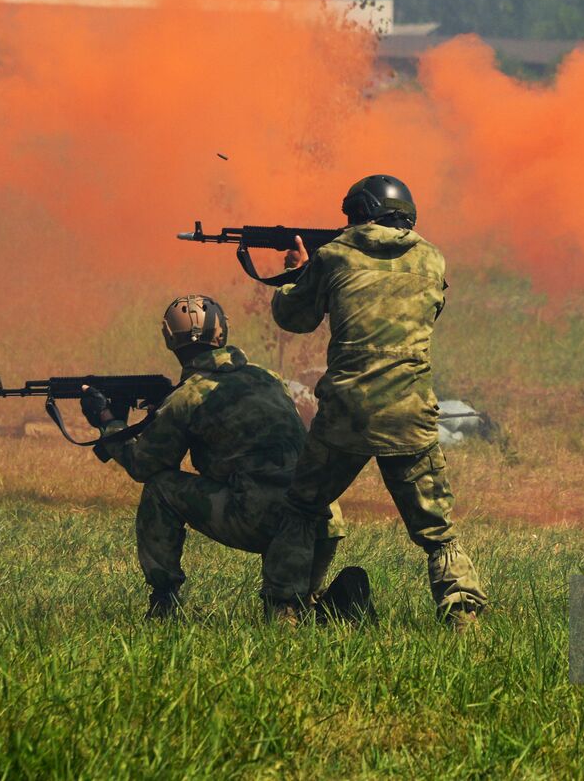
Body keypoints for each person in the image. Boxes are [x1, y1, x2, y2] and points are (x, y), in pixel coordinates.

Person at [267, 175, 488, 630]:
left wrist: (297, 271)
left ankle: (285, 612)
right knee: (437, 530)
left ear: (359, 213)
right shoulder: (432, 258)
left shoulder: (332, 257)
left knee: (303, 509)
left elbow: (294, 317)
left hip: (346, 412)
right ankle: (463, 616)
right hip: (410, 411)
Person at [82, 296, 360, 621]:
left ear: (169, 339)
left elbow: (145, 466)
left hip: (263, 518)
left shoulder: (188, 397)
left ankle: (164, 603)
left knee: (159, 488)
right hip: (322, 519)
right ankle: (332, 607)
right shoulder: (268, 378)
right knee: (296, 608)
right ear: (223, 332)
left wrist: (108, 422)